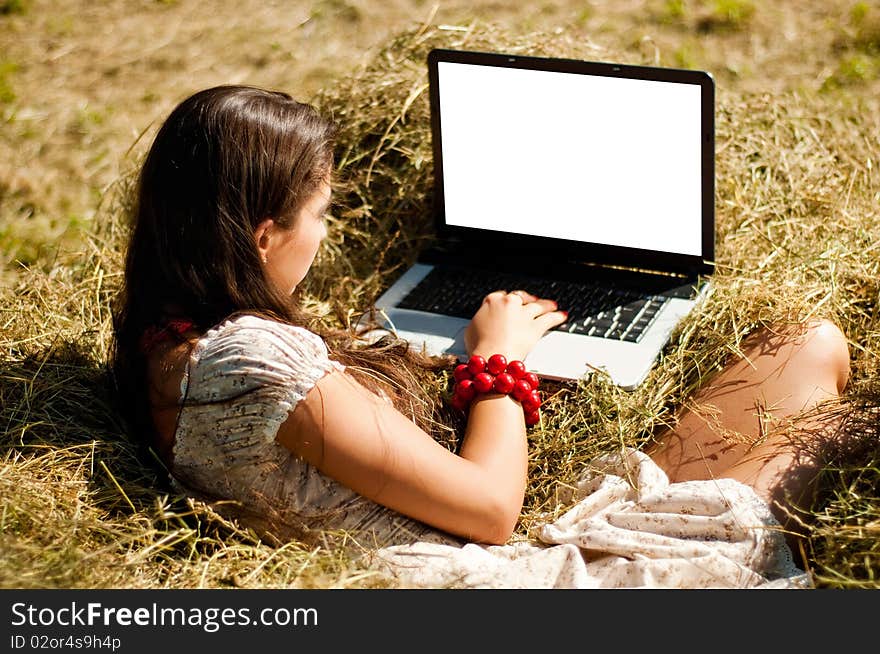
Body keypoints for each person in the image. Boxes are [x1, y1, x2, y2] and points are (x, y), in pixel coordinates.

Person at [111, 84, 851, 589]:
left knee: (802, 349)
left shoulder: (174, 342)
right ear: (265, 234)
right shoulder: (252, 361)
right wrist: (501, 362)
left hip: (478, 556)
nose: (326, 235)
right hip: (506, 581)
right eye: (322, 213)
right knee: (814, 361)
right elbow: (493, 509)